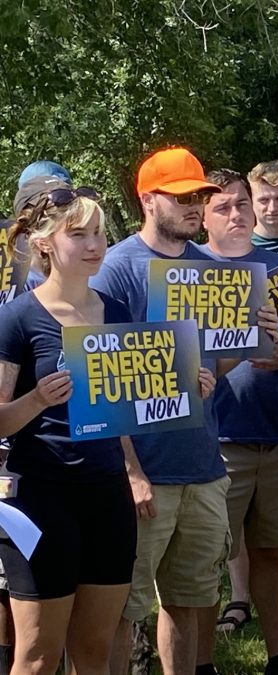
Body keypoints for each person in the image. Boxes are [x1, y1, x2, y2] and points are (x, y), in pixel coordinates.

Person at [92, 148, 231, 675]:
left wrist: (250, 338)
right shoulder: (116, 270)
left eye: (200, 195)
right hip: (144, 472)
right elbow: (102, 380)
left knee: (188, 602)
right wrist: (131, 471)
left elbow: (214, 368)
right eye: (183, 197)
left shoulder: (209, 268)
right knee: (121, 609)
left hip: (203, 467)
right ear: (148, 200)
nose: (196, 205)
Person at [0, 188, 142, 674]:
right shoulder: (16, 319)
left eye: (99, 232)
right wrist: (38, 399)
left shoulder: (118, 312)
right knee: (37, 656)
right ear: (44, 244)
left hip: (107, 496)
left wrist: (187, 385)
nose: (94, 244)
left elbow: (126, 410)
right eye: (77, 234)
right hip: (40, 497)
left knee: (94, 650)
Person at [200, 169, 278, 675]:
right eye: (223, 206)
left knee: (271, 551)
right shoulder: (186, 271)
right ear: (202, 216)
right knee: (202, 565)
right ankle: (201, 662)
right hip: (214, 441)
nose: (236, 214)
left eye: (242, 205)